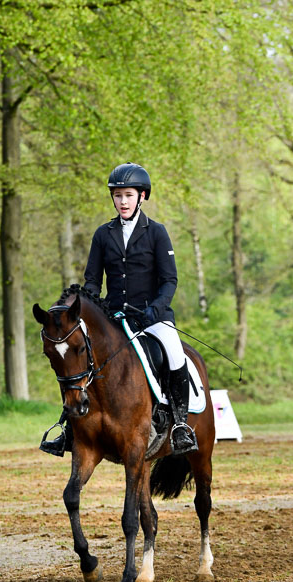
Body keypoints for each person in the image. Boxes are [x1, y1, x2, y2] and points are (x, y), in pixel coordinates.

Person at [40, 162, 198, 456]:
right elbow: (91, 281)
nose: (122, 201)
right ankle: (66, 428)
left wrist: (156, 308)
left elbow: (169, 280)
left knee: (176, 356)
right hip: (113, 319)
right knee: (78, 358)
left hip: (152, 318)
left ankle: (180, 426)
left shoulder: (157, 233)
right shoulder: (103, 234)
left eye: (128, 195)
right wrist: (86, 309)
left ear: (141, 196)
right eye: (117, 196)